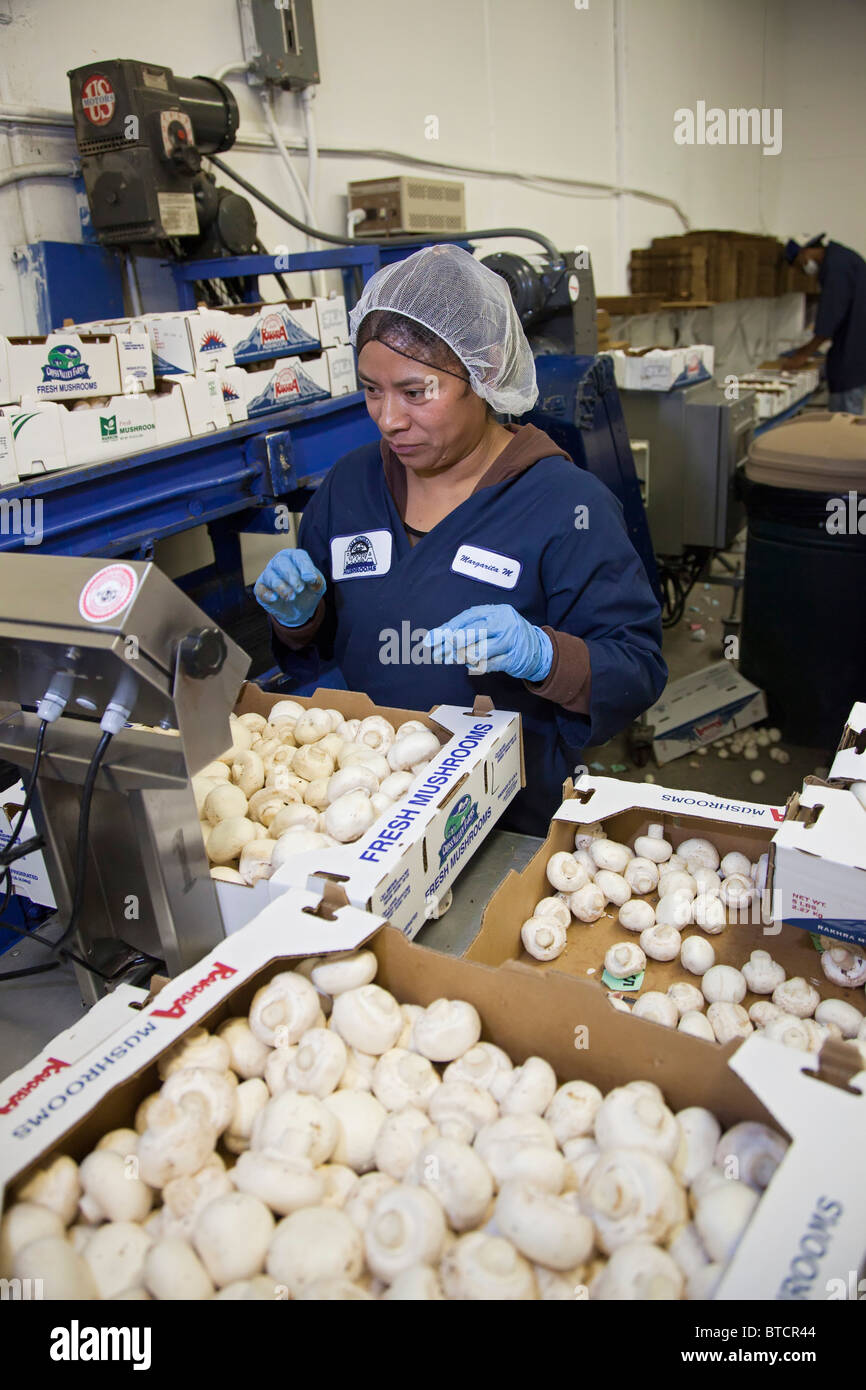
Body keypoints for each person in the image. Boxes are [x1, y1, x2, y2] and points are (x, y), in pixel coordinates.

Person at [254, 245, 666, 835]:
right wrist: (297, 618)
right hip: (361, 808)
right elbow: (316, 646)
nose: (388, 418)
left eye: (415, 392)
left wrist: (546, 655)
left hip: (503, 817)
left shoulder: (565, 505)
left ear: (487, 371)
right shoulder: (351, 484)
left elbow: (638, 667)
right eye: (372, 389)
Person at [783, 233, 866, 414]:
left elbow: (831, 314)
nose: (804, 270)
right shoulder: (842, 258)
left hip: (853, 357)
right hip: (855, 350)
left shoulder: (837, 266)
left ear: (805, 253)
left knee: (843, 423)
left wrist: (804, 353)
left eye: (799, 264)